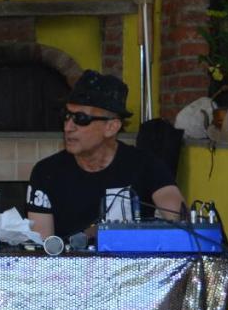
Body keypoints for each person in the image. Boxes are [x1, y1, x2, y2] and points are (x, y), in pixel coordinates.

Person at [27, 70, 186, 242]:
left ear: (111, 127)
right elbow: (41, 246)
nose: (68, 127)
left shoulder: (146, 165)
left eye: (81, 118)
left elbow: (180, 218)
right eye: (66, 117)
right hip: (69, 266)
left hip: (135, 267)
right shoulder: (46, 172)